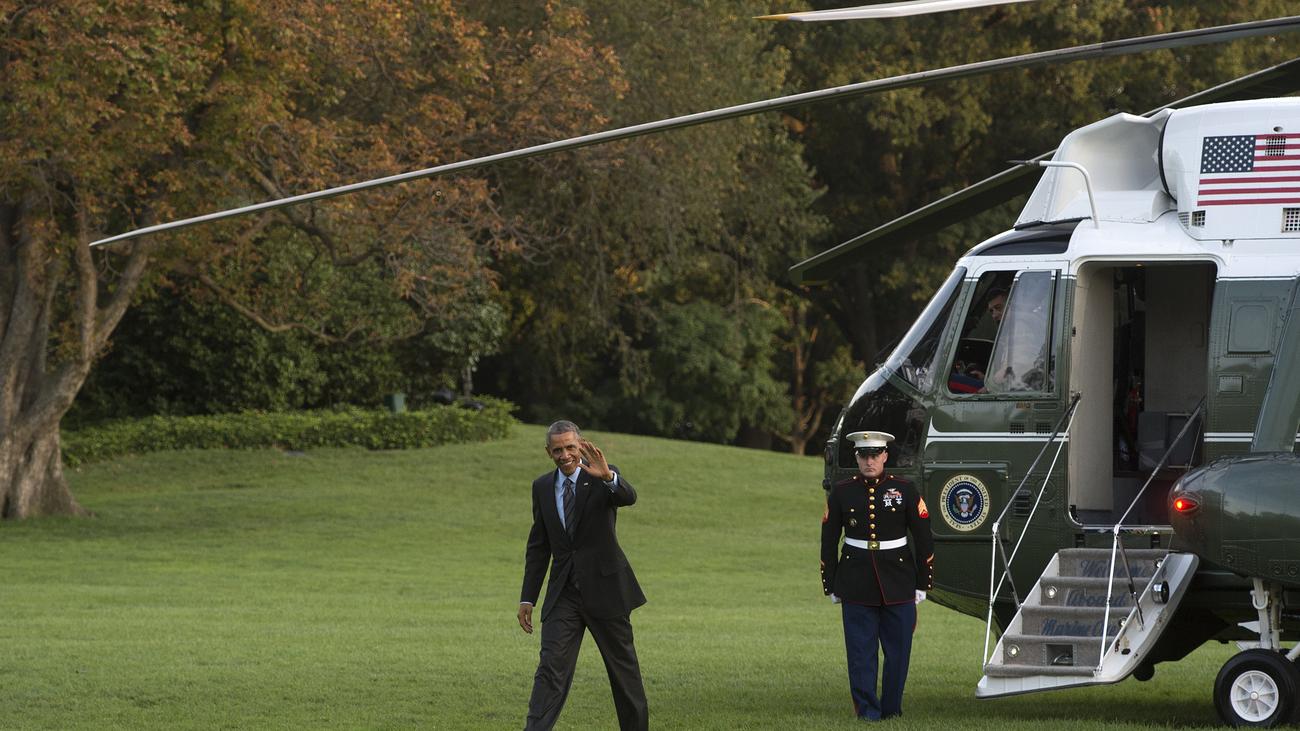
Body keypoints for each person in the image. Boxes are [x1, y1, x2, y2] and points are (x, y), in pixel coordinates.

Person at [518, 420, 648, 731]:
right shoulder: (541, 487)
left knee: (624, 674)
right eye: (557, 450)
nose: (564, 455)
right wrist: (527, 598)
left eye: (570, 447)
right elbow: (539, 547)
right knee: (550, 669)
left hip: (606, 590)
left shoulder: (602, 474)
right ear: (548, 452)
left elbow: (628, 497)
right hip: (564, 594)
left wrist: (609, 477)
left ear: (581, 445)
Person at [821, 430, 934, 721]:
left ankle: (891, 710)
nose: (869, 461)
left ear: (885, 456)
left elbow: (923, 537)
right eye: (864, 455)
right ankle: (868, 712)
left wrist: (923, 582)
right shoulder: (842, 492)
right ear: (856, 457)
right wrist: (830, 583)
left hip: (899, 581)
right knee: (860, 653)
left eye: (875, 455)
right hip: (855, 581)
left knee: (898, 653)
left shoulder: (905, 489)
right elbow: (828, 540)